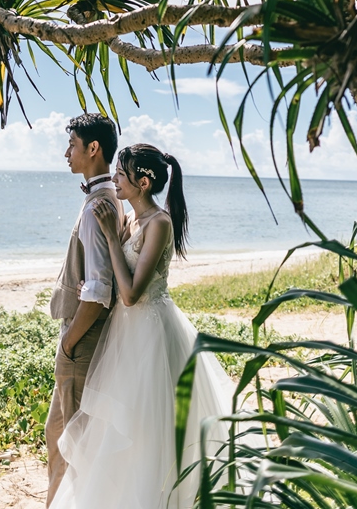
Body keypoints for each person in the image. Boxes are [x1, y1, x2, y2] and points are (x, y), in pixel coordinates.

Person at [50, 143, 233, 509]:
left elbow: (132, 293)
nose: (115, 178)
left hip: (150, 331)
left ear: (144, 182)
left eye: (122, 173)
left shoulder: (159, 224)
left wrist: (107, 232)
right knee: (122, 426)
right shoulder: (131, 219)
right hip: (124, 333)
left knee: (150, 425)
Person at [45, 112, 124, 506]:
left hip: (82, 342)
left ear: (93, 149)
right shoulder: (107, 199)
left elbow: (97, 292)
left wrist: (68, 345)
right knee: (58, 437)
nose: (66, 153)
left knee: (74, 448)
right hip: (84, 341)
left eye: (72, 145)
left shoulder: (98, 209)